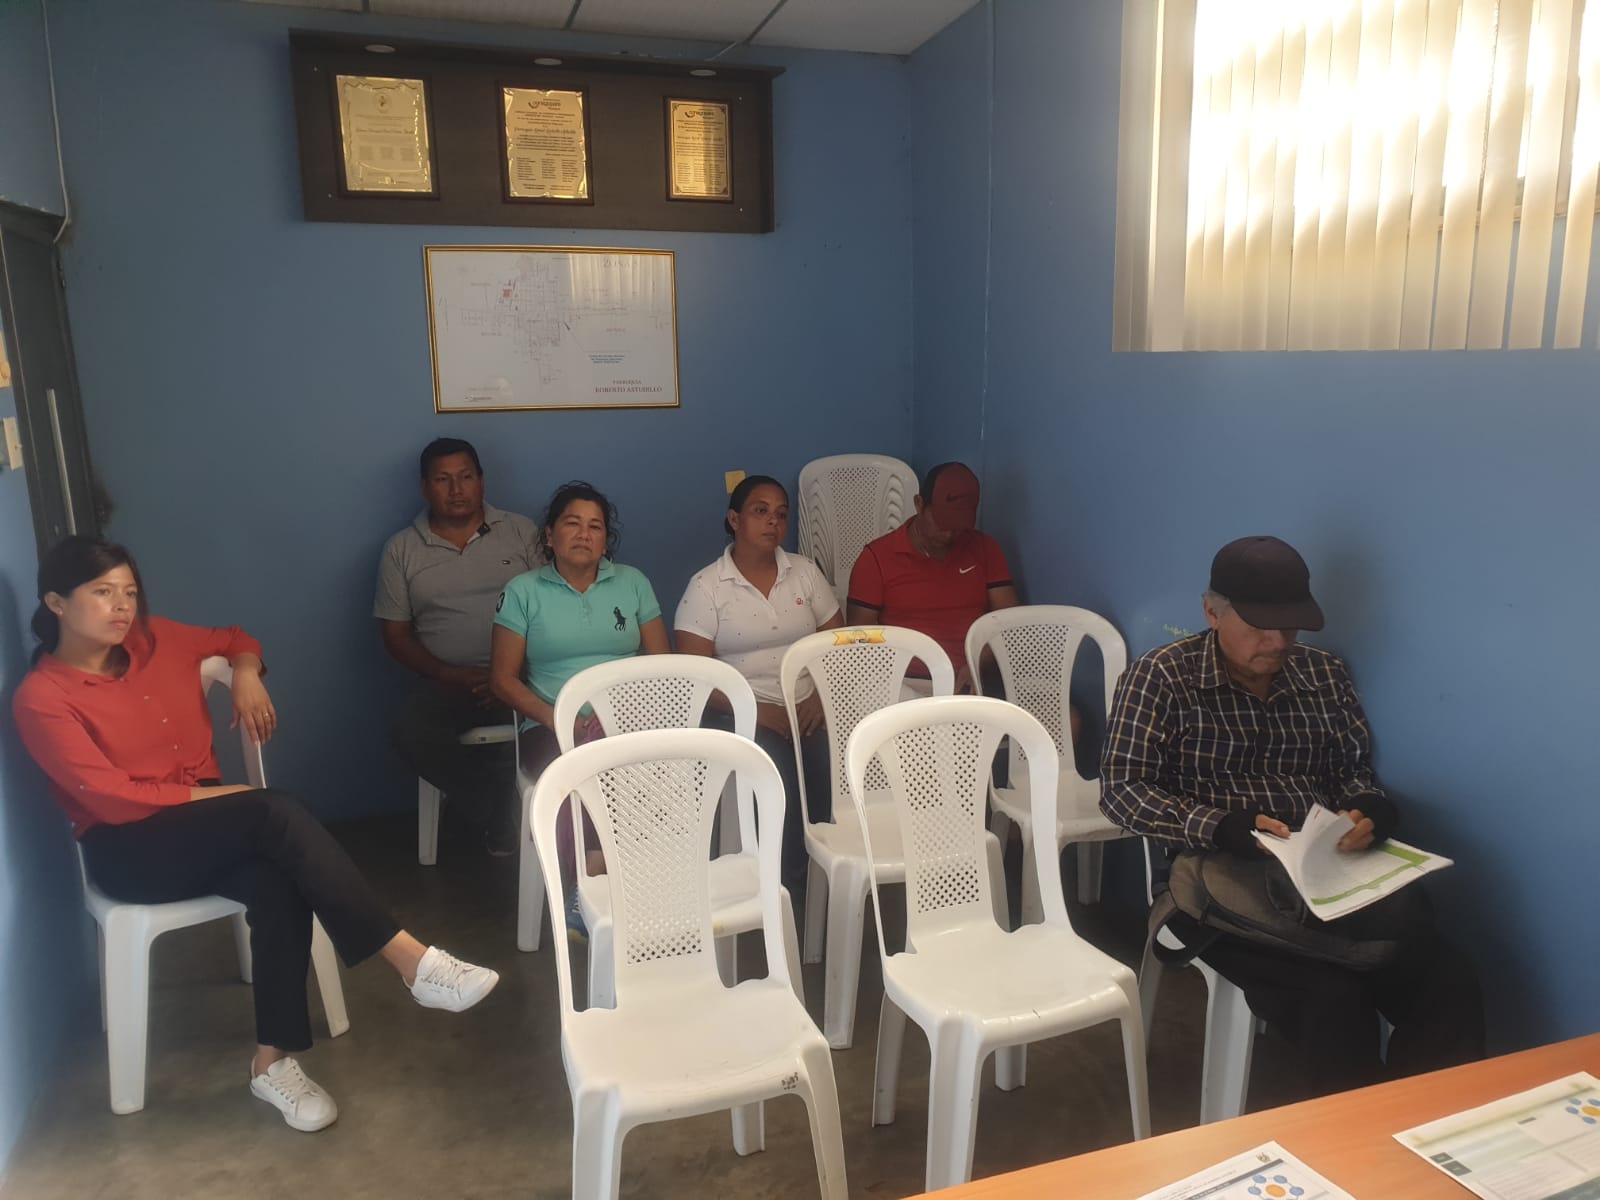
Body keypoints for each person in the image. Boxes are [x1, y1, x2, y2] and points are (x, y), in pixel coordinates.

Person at [13, 537, 500, 1134]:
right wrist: (226, 797)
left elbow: (236, 638)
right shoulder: (42, 698)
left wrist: (245, 674)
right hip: (129, 848)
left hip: (205, 828)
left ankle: (272, 1063)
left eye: (130, 592)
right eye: (102, 592)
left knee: (277, 879)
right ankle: (411, 961)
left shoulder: (154, 638)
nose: (122, 606)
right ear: (56, 602)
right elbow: (111, 798)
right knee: (274, 812)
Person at [1099, 535, 1484, 1096]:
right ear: (1211, 612)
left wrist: (1369, 810)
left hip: (1325, 874)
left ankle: (1427, 1125)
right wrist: (1221, 826)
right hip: (1214, 882)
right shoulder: (1161, 677)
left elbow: (1351, 770)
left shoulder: (1324, 674)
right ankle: (1359, 1139)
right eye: (1261, 626)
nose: (1279, 642)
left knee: (1449, 982)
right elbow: (1122, 792)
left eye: (1292, 628)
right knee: (1334, 1002)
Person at [489, 482, 669, 937]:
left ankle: (608, 887)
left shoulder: (633, 583)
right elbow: (503, 680)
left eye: (595, 527)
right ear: (550, 536)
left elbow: (662, 666)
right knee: (585, 768)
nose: (584, 534)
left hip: (628, 720)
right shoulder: (523, 591)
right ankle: (591, 885)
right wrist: (560, 717)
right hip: (550, 725)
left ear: (606, 541)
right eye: (572, 523)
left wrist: (620, 713)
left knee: (628, 761)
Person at [675, 475, 842, 890]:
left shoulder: (804, 573)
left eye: (781, 515)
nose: (773, 522)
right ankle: (784, 882)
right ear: (734, 519)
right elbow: (696, 678)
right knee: (777, 770)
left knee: (826, 761)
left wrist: (819, 699)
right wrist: (756, 710)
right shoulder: (706, 587)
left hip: (806, 704)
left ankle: (828, 871)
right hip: (736, 712)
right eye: (760, 511)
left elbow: (836, 647)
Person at [374, 438, 541, 855]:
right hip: (447, 680)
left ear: (482, 480)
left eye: (466, 477)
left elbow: (552, 607)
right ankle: (498, 815)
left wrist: (510, 675)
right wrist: (450, 674)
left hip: (525, 673)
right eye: (443, 480)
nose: (456, 490)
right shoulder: (401, 549)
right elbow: (395, 636)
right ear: (424, 488)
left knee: (553, 723)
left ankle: (494, 817)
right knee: (409, 732)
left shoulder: (522, 533)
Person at [846, 461, 1021, 693]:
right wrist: (889, 678)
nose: (949, 534)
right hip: (906, 681)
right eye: (942, 523)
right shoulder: (876, 558)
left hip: (973, 677)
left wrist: (979, 661)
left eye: (958, 526)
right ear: (919, 504)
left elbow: (1009, 623)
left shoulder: (985, 549)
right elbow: (859, 636)